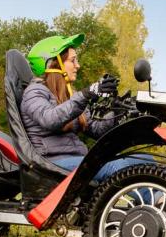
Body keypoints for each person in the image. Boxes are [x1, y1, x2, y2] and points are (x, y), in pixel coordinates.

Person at [21, 33, 147, 180]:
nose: (77, 65)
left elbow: (95, 129)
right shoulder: (34, 92)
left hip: (77, 158)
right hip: (52, 162)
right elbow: (49, 119)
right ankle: (160, 200)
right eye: (73, 60)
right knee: (116, 168)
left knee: (143, 159)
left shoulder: (69, 95)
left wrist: (116, 110)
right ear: (54, 63)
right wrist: (87, 94)